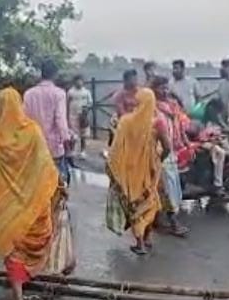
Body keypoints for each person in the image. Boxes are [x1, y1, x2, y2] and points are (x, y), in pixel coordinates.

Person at [0, 88, 64, 300]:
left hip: (9, 205)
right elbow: (46, 166)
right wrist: (56, 185)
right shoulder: (33, 131)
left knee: (13, 249)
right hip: (35, 203)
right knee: (37, 242)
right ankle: (37, 275)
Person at [106, 88, 166, 255]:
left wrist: (112, 167)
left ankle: (140, 243)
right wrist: (158, 160)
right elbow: (167, 147)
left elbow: (115, 148)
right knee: (150, 201)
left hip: (130, 171)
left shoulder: (126, 121)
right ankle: (147, 238)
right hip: (149, 171)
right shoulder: (157, 123)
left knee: (135, 204)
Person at [151, 77, 190, 236]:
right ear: (154, 89)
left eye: (166, 88)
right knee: (167, 187)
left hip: (171, 149)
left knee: (169, 186)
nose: (165, 91)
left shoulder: (172, 106)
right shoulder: (151, 107)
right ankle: (173, 222)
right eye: (161, 88)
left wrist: (185, 143)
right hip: (159, 150)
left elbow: (179, 126)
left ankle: (156, 219)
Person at [23, 60, 73, 184]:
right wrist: (66, 140)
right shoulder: (59, 94)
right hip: (53, 147)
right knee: (56, 184)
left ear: (42, 73)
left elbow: (24, 119)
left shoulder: (29, 94)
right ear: (55, 74)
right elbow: (60, 120)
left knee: (36, 183)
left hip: (33, 145)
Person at [67, 75, 93, 157]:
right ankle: (72, 150)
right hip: (72, 116)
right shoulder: (70, 92)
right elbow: (67, 103)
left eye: (81, 81)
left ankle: (83, 151)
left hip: (83, 117)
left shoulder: (86, 92)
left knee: (83, 135)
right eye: (77, 81)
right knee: (73, 134)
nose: (79, 82)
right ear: (74, 82)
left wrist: (86, 109)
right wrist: (67, 115)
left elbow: (90, 103)